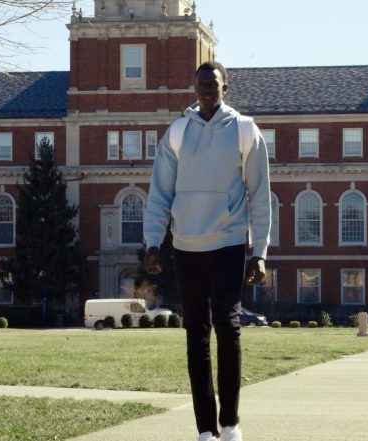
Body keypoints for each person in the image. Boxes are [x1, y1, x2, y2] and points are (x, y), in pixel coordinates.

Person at [143, 60, 271, 441]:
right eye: (200, 84)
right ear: (194, 88)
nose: (206, 90)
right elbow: (160, 193)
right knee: (195, 334)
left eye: (212, 84)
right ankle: (205, 430)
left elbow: (260, 195)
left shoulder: (245, 131)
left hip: (229, 244)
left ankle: (230, 424)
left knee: (228, 329)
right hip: (186, 247)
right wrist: (153, 241)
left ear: (224, 88)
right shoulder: (178, 132)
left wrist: (259, 250)